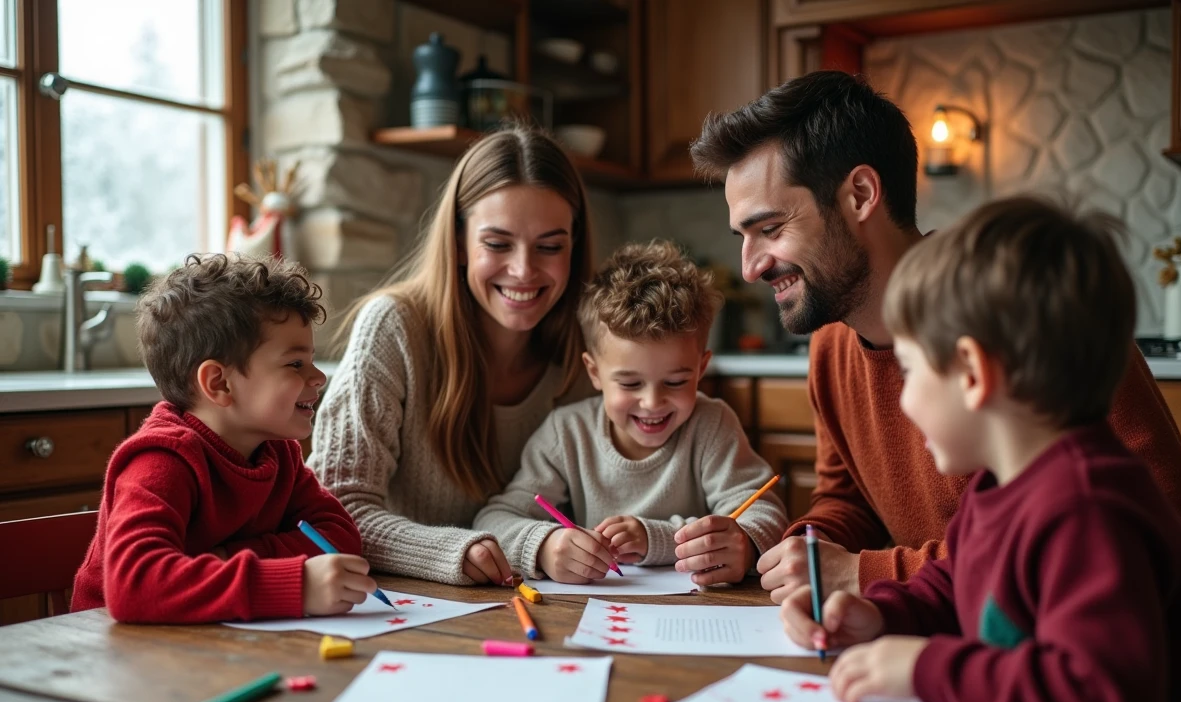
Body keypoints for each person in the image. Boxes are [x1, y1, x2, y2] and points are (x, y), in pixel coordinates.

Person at [690, 70, 1181, 600]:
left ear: (860, 195)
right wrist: (801, 556)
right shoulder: (830, 344)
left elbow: (1164, 533)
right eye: (742, 236)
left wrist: (867, 574)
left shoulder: (1029, 312)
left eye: (770, 229)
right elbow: (850, 503)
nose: (749, 268)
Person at [780, 196, 1181, 702]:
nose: (901, 399)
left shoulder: (1088, 509)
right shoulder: (999, 485)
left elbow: (1104, 701)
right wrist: (882, 613)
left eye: (911, 369)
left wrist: (927, 668)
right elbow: (961, 584)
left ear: (973, 374)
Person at [309, 126, 595, 586]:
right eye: (498, 244)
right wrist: (455, 551)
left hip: (541, 605)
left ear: (573, 247)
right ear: (460, 242)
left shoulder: (587, 350)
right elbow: (334, 511)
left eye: (549, 246)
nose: (523, 270)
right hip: (406, 612)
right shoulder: (393, 328)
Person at [72, 253, 372, 623]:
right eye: (295, 363)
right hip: (114, 655)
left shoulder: (276, 454)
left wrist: (228, 557)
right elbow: (134, 585)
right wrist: (294, 584)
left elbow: (339, 537)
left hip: (211, 640)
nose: (318, 377)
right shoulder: (160, 460)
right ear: (219, 383)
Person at [475, 241, 786, 584]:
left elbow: (765, 514)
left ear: (701, 369)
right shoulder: (567, 433)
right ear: (594, 372)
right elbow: (494, 519)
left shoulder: (712, 424)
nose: (652, 403)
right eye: (630, 384)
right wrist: (545, 545)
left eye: (675, 382)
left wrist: (743, 543)